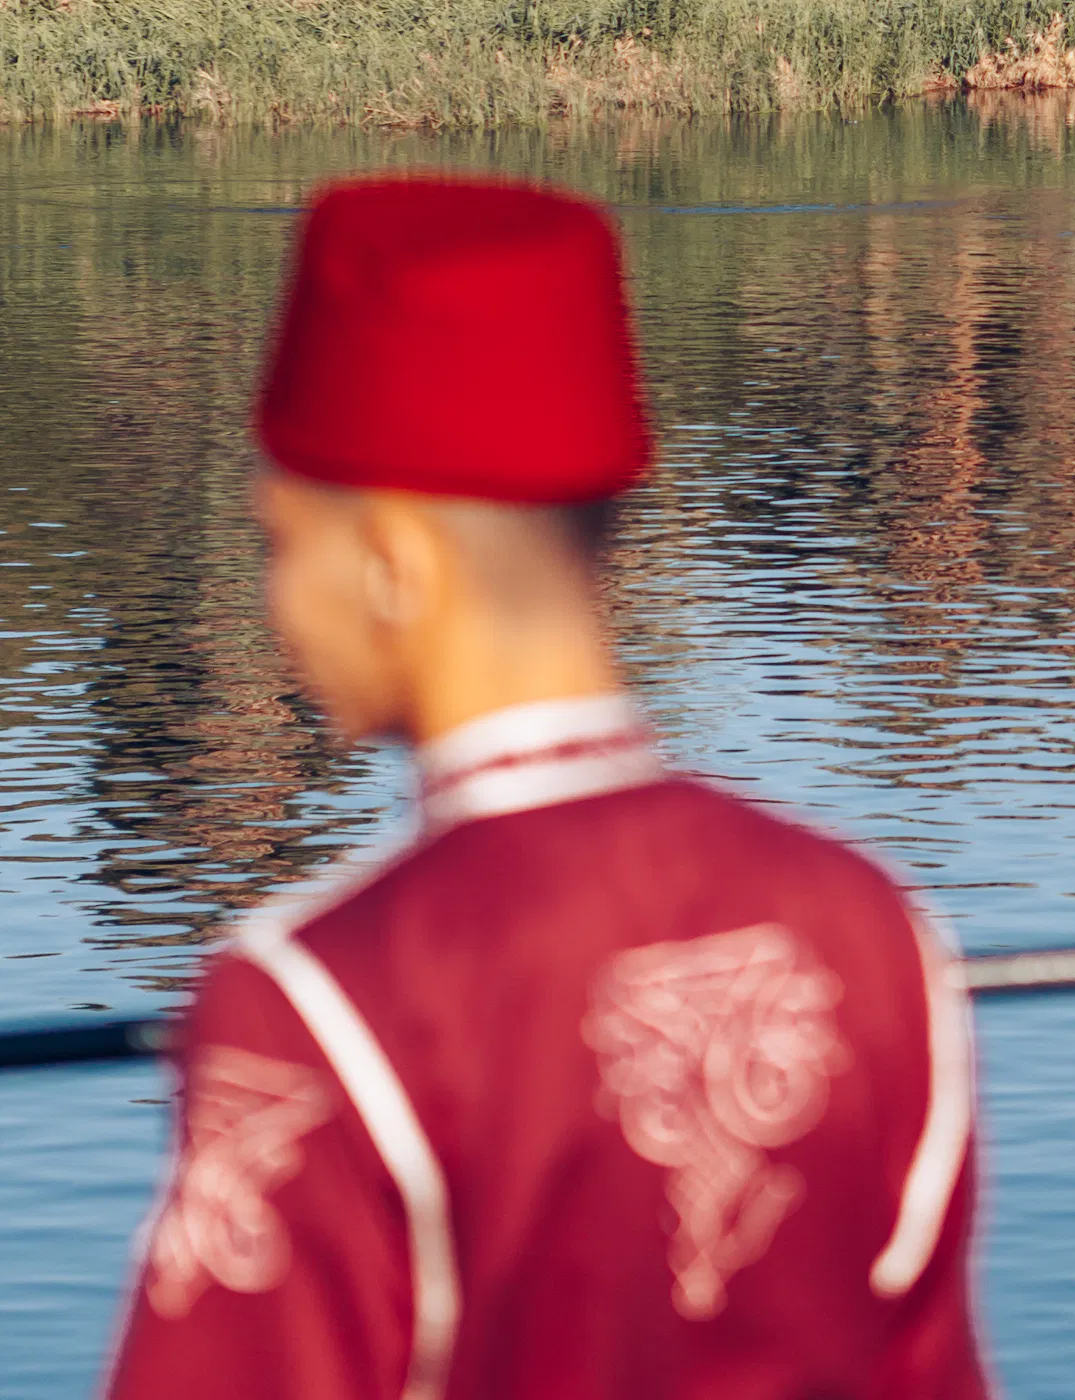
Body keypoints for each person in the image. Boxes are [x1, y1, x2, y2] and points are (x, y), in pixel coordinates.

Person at [104, 174, 990, 1400]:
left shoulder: (314, 998)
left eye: (278, 543)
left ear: (393, 564)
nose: (273, 606)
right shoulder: (879, 930)